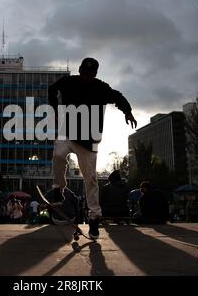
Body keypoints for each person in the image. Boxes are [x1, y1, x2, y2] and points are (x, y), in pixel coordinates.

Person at [48, 57, 137, 239]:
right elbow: (52, 89)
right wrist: (56, 109)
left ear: (95, 74)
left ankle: (94, 218)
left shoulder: (101, 87)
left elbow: (118, 97)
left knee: (90, 179)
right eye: (84, 73)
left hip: (88, 141)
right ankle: (59, 188)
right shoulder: (69, 82)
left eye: (90, 74)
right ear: (79, 70)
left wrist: (127, 111)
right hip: (68, 132)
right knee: (58, 154)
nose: (87, 77)